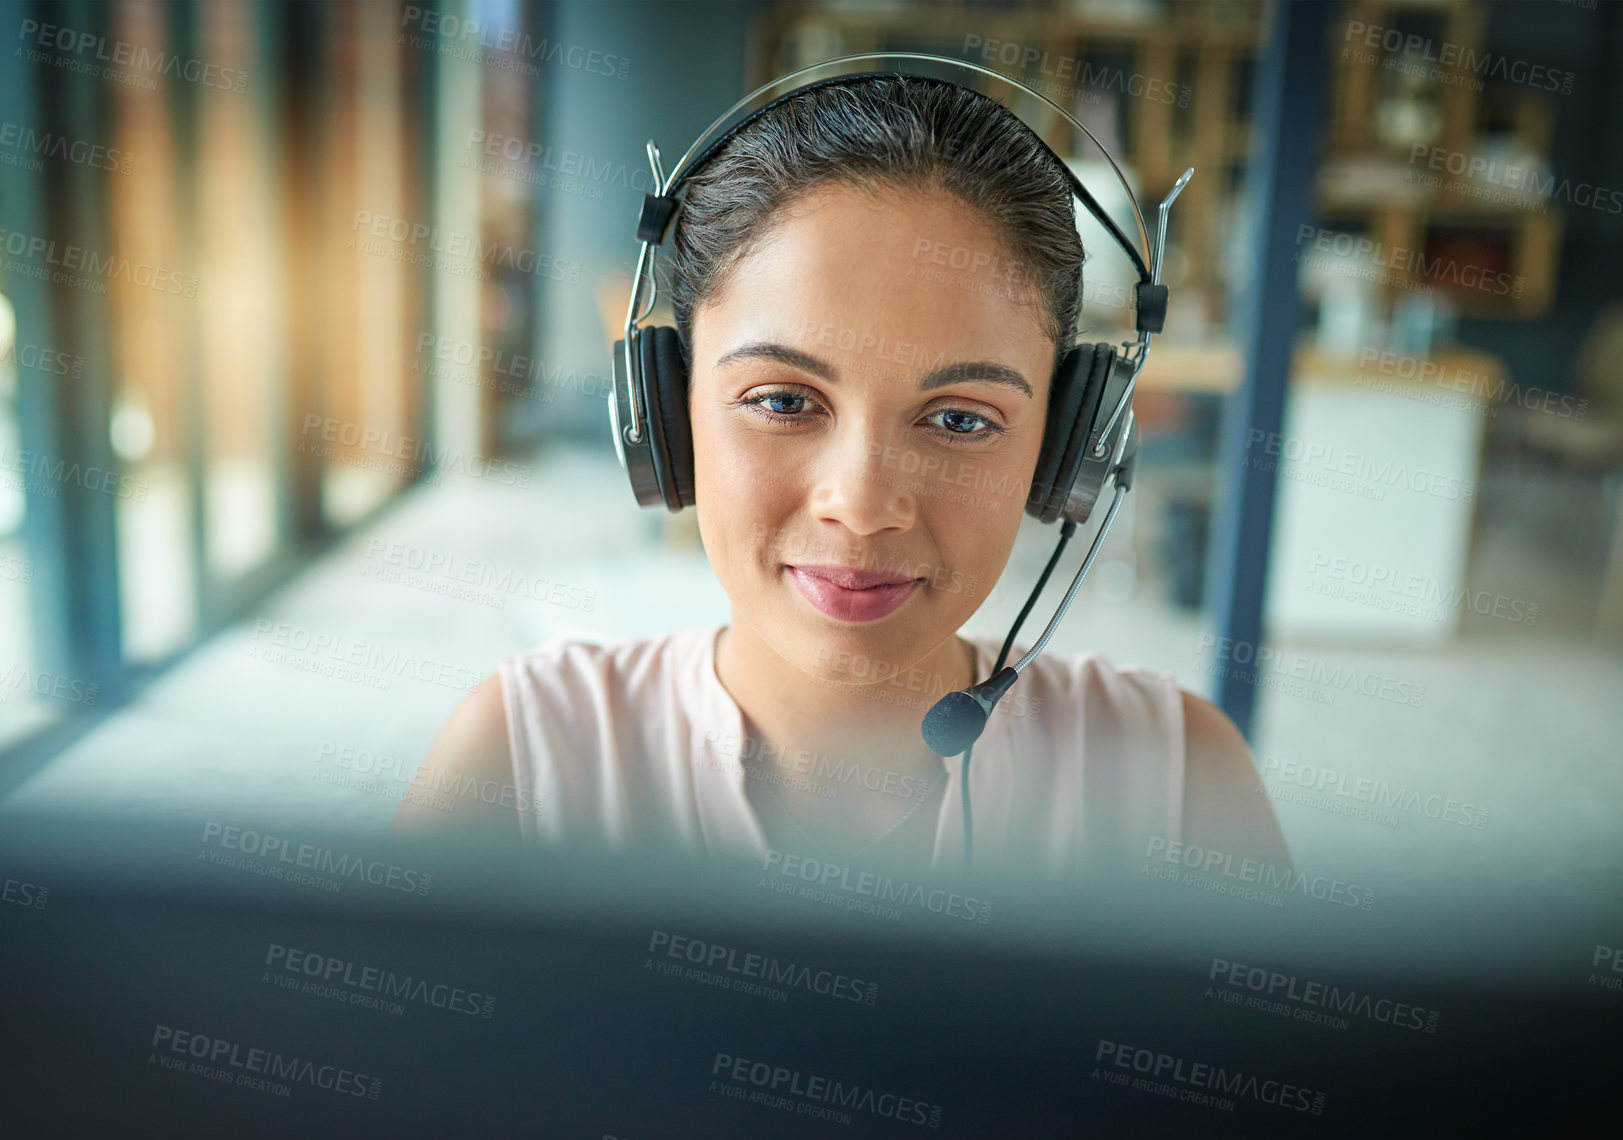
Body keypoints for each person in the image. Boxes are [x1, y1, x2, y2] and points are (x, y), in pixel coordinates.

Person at [391, 74, 1290, 882]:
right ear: (667, 410)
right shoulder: (522, 758)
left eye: (959, 419)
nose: (861, 503)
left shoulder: (1178, 781)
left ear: (1067, 451)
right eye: (783, 400)